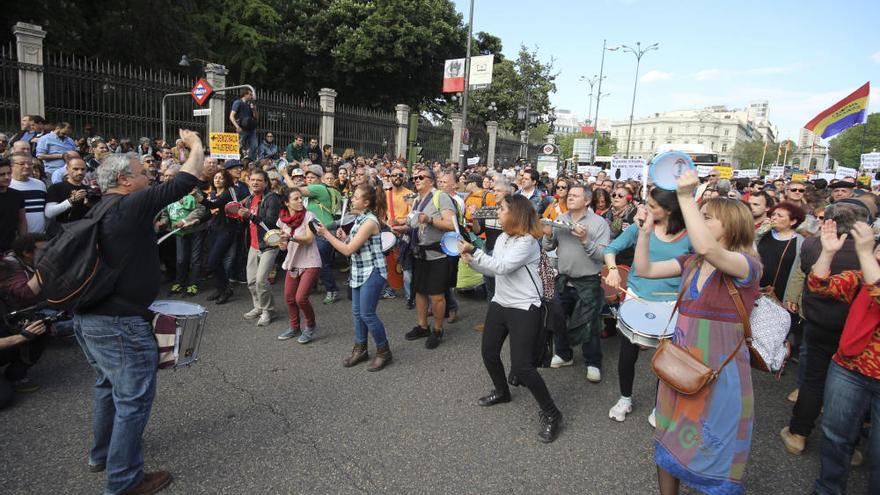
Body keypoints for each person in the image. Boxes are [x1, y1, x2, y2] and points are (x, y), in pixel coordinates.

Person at [68, 130, 208, 494]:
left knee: (106, 386)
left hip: (91, 317)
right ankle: (124, 481)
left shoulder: (103, 206)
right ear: (125, 180)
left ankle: (102, 455)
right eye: (143, 173)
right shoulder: (129, 204)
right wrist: (195, 146)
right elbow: (184, 181)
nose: (150, 176)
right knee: (132, 399)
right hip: (117, 323)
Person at [634, 169, 761, 495]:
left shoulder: (747, 264)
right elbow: (645, 270)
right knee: (669, 438)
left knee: (714, 447)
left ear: (730, 225)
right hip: (680, 367)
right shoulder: (691, 261)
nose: (697, 221)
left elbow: (710, 251)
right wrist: (645, 233)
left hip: (720, 373)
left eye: (707, 217)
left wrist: (686, 197)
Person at [460, 194, 563, 443]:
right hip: (501, 303)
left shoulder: (528, 241)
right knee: (489, 353)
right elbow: (494, 267)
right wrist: (472, 262)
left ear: (515, 213)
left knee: (523, 366)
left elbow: (504, 267)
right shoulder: (505, 237)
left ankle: (552, 414)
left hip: (524, 307)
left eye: (502, 209)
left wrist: (474, 249)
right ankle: (502, 391)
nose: (498, 212)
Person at [604, 188, 690, 425]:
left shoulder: (689, 235)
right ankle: (625, 398)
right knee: (627, 353)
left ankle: (659, 406)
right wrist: (613, 271)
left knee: (666, 360)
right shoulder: (640, 226)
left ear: (670, 210)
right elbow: (610, 250)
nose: (646, 209)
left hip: (670, 303)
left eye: (652, 205)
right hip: (636, 296)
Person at [806, 219, 880, 494]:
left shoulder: (870, 272)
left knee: (877, 454)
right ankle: (827, 489)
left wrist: (864, 252)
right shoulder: (862, 275)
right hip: (848, 367)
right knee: (835, 437)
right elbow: (819, 284)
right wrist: (827, 252)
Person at [316, 184, 392, 371]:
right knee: (358, 313)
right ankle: (361, 349)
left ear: (366, 202)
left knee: (367, 314)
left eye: (356, 197)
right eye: (353, 196)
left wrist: (326, 234)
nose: (352, 199)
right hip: (359, 270)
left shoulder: (370, 222)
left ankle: (384, 351)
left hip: (373, 271)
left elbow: (348, 250)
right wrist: (342, 238)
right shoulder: (359, 218)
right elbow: (350, 246)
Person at [543, 184, 611, 383]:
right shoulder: (561, 219)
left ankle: (593, 362)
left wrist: (584, 240)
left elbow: (604, 254)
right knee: (557, 319)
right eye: (569, 195)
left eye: (575, 195)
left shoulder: (599, 224)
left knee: (589, 323)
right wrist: (547, 234)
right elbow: (549, 246)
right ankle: (564, 354)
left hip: (588, 280)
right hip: (563, 279)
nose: (570, 197)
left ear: (587, 201)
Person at [404, 167, 456, 349]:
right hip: (420, 254)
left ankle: (438, 330)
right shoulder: (417, 200)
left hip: (438, 255)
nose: (416, 179)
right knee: (419, 292)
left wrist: (430, 220)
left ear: (431, 181)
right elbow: (414, 224)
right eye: (414, 176)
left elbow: (451, 225)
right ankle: (423, 326)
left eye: (420, 177)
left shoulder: (440, 197)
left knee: (436, 296)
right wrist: (399, 228)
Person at [280, 163, 341, 304]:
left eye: (312, 177)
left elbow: (294, 190)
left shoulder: (319, 188)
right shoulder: (310, 193)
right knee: (310, 261)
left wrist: (284, 174)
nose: (308, 180)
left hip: (324, 230)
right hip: (317, 230)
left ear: (320, 178)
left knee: (321, 263)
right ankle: (311, 287)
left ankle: (332, 290)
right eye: (307, 177)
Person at [275, 189, 321, 343]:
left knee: (300, 298)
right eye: (296, 199)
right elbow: (282, 242)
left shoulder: (309, 216)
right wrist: (281, 243)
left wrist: (291, 237)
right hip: (293, 261)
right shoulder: (282, 219)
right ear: (287, 203)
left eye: (301, 198)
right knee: (289, 298)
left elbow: (308, 239)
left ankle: (311, 326)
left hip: (310, 261)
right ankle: (294, 327)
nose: (301, 201)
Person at [239, 169, 281, 327]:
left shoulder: (272, 198)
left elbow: (270, 222)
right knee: (251, 281)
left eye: (259, 180)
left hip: (268, 245)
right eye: (252, 179)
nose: (255, 182)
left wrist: (250, 216)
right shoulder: (250, 199)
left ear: (265, 183)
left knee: (261, 281)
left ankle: (267, 311)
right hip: (253, 245)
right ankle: (258, 306)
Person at [200, 168, 237, 304]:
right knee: (215, 261)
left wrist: (200, 199)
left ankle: (226, 289)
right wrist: (194, 221)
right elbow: (211, 211)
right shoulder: (214, 193)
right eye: (215, 177)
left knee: (213, 261)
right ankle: (220, 288)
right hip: (214, 230)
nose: (217, 180)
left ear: (226, 180)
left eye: (221, 178)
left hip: (226, 231)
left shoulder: (227, 194)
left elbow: (213, 205)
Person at [756, 201, 805, 302]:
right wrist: (760, 231)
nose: (774, 218)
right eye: (773, 214)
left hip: (781, 290)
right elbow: (748, 246)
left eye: (780, 216)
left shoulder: (799, 241)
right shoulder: (764, 233)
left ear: (793, 222)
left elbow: (799, 272)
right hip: (756, 287)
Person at [45, 157, 94, 228]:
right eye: (76, 169)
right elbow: (49, 213)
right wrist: (71, 200)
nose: (80, 172)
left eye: (83, 169)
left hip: (84, 231)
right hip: (63, 232)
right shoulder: (56, 188)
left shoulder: (89, 189)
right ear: (67, 169)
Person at [9, 152, 47, 234]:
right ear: (11, 166)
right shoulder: (7, 185)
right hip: (15, 238)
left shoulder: (40, 184)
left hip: (40, 236)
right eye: (22, 164)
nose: (27, 166)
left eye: (30, 164)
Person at [0, 158, 27, 253]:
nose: (7, 177)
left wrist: (23, 243)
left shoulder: (17, 195)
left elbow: (22, 220)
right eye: (2, 174)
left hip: (11, 249)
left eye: (8, 173)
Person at [229, 89, 259, 161]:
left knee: (254, 145)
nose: (251, 96)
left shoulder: (250, 104)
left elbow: (256, 118)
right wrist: (237, 126)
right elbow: (231, 116)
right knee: (239, 146)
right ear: (245, 95)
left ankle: (249, 161)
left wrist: (254, 109)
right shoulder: (238, 102)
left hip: (251, 129)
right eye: (250, 94)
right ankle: (237, 160)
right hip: (242, 129)